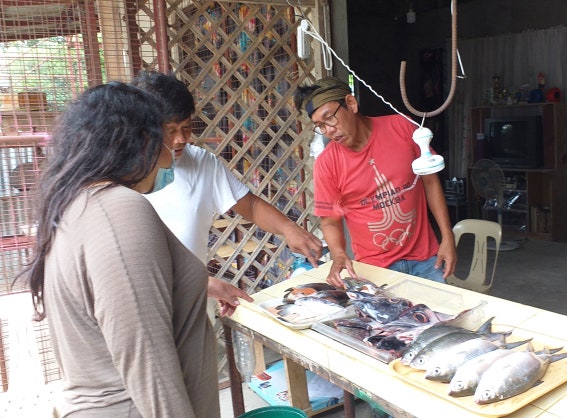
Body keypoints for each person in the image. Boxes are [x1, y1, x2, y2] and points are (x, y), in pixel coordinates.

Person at [20, 82, 219, 417]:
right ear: (140, 142)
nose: (171, 150)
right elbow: (147, 358)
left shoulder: (76, 203)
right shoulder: (119, 210)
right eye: (163, 138)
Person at [131, 70, 324, 316]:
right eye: (170, 130)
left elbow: (250, 206)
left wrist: (289, 228)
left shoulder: (202, 163)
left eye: (187, 128)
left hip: (194, 307)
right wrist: (206, 285)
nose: (180, 139)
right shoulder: (123, 176)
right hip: (147, 310)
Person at [294, 77, 456, 288]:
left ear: (351, 104)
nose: (329, 130)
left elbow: (430, 183)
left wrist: (447, 237)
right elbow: (330, 221)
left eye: (330, 118)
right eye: (320, 126)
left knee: (439, 317)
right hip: (374, 270)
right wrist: (338, 254)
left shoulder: (403, 127)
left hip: (426, 259)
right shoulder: (327, 163)